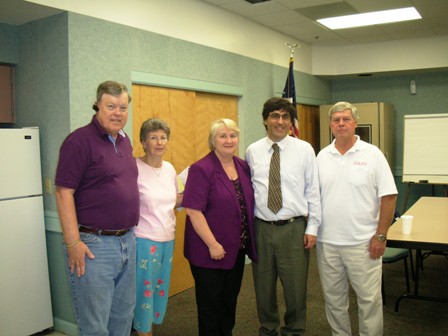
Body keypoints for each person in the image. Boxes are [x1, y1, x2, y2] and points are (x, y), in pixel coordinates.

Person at [54, 80, 139, 336]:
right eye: (111, 106)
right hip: (94, 246)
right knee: (95, 326)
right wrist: (73, 243)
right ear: (97, 106)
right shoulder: (79, 141)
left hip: (128, 240)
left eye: (123, 107)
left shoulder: (125, 141)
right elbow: (62, 192)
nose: (118, 112)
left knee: (123, 318)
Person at [316, 101, 398, 336]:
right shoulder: (322, 156)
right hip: (327, 243)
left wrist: (381, 236)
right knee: (334, 300)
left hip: (364, 243)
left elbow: (389, 197)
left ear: (355, 123)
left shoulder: (373, 155)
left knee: (369, 301)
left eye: (346, 119)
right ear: (331, 125)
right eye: (336, 120)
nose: (341, 124)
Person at [246, 97, 321, 336]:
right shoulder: (253, 151)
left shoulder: (304, 149)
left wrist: (312, 228)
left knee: (296, 287)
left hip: (294, 228)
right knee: (263, 286)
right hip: (262, 228)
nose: (280, 121)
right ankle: (268, 328)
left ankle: (294, 329)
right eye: (275, 116)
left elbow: (313, 190)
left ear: (291, 122)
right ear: (265, 120)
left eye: (285, 116)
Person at [182, 118, 257, 336]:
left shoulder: (242, 165)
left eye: (232, 135)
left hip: (235, 250)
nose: (228, 140)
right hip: (209, 252)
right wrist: (213, 244)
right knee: (210, 307)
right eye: (222, 136)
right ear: (212, 141)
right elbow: (193, 212)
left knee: (229, 302)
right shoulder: (201, 169)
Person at [133, 118, 182, 336]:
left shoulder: (170, 168)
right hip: (144, 239)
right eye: (153, 138)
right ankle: (143, 332)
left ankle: (147, 329)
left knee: (159, 290)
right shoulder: (134, 167)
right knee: (143, 292)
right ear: (143, 142)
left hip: (167, 238)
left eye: (163, 137)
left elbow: (176, 199)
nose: (159, 142)